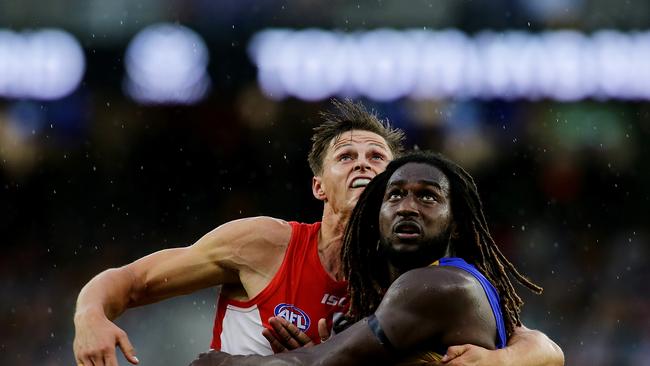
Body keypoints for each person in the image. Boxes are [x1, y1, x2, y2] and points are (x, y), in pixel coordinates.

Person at [73, 100, 563, 366]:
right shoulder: (263, 243)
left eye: (377, 160)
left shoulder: (412, 273)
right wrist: (91, 314)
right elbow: (132, 280)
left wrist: (509, 361)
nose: (363, 166)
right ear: (318, 186)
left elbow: (541, 345)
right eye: (346, 157)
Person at [189, 151, 550, 366]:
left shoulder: (438, 286)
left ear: (456, 225)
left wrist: (222, 361)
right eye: (394, 196)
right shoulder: (410, 287)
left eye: (427, 197)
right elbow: (545, 347)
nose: (407, 207)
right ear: (375, 216)